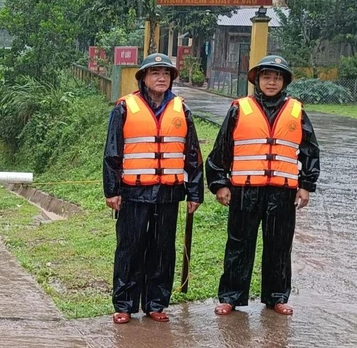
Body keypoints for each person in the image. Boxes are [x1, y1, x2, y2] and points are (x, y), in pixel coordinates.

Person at [207, 55, 320, 316]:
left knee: (279, 245)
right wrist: (220, 183)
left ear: (284, 82)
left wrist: (306, 185)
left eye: (277, 78)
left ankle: (276, 296)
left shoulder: (296, 111)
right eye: (267, 77)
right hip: (245, 190)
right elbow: (222, 149)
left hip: (282, 192)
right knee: (239, 244)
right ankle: (231, 297)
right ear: (257, 80)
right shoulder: (239, 108)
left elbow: (310, 151)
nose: (272, 82)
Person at [104, 53, 204, 324]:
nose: (161, 78)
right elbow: (112, 152)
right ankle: (125, 304)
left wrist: (195, 192)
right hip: (134, 192)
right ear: (144, 78)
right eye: (155, 73)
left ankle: (155, 303)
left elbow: (192, 153)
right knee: (130, 247)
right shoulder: (124, 108)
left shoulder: (182, 109)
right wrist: (112, 190)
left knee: (162, 249)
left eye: (166, 73)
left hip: (169, 193)